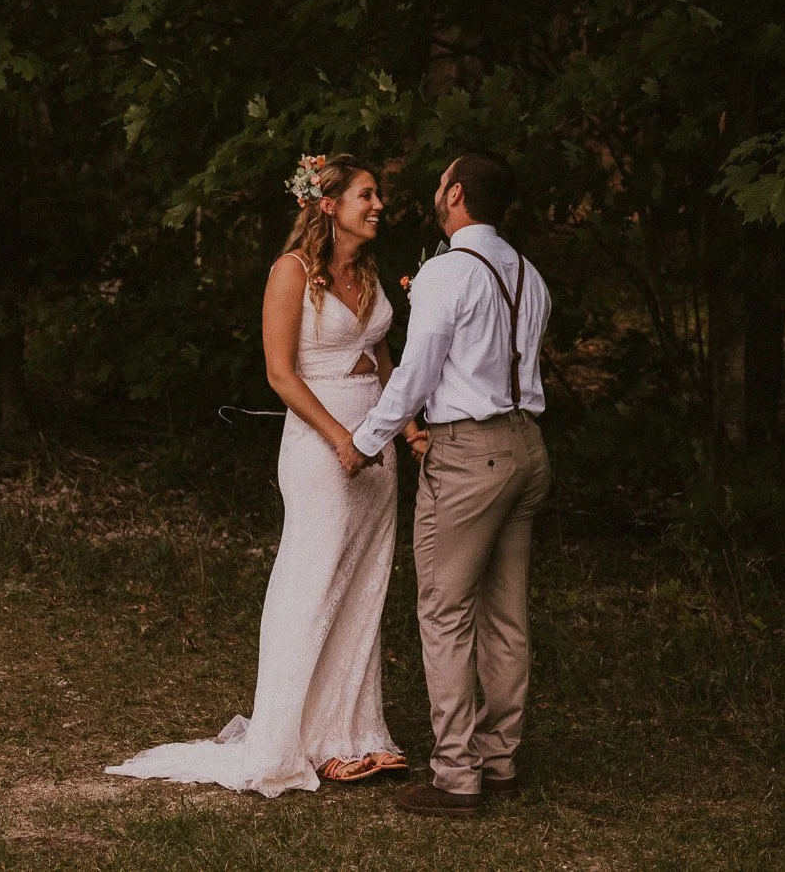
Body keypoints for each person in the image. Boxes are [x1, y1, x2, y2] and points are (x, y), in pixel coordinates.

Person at [106, 153, 418, 796]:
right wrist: (342, 439)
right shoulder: (290, 272)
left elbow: (383, 356)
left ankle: (350, 734)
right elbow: (281, 374)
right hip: (322, 443)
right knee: (314, 579)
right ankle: (289, 735)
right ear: (329, 205)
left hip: (376, 442)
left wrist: (405, 429)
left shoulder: (367, 269)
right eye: (367, 194)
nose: (378, 204)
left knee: (364, 581)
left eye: (378, 195)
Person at [342, 152, 552, 818]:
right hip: (527, 448)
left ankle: (457, 773)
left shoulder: (447, 273)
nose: (437, 190)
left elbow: (417, 373)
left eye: (440, 183)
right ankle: (500, 757)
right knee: (506, 613)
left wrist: (366, 439)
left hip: (470, 458)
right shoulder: (529, 273)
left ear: (456, 194)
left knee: (445, 611)